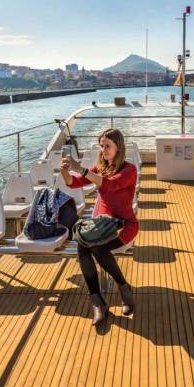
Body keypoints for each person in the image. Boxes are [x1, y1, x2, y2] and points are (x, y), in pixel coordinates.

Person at [61, 128, 138, 325]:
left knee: (95, 247)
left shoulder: (129, 170)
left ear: (118, 147)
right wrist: (64, 172)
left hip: (124, 225)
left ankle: (123, 288)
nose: (103, 149)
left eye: (107, 146)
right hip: (102, 224)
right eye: (102, 146)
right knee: (83, 245)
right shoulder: (100, 168)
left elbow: (109, 185)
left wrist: (81, 169)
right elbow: (74, 183)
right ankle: (97, 301)